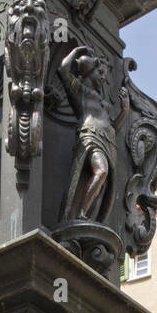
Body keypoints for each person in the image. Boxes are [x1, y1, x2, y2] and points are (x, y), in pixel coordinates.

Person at [58, 46, 128, 223]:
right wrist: (77, 51)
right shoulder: (80, 91)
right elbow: (63, 69)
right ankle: (79, 213)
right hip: (91, 137)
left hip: (107, 140)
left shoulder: (102, 102)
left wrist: (125, 110)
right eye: (101, 73)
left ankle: (87, 215)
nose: (104, 78)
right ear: (90, 71)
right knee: (101, 171)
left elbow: (113, 128)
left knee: (104, 186)